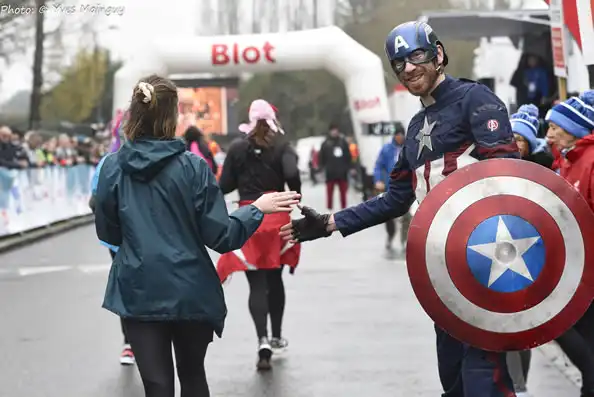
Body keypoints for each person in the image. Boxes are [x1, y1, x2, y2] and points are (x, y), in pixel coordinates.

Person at [281, 21, 521, 396]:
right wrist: (330, 222)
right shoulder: (414, 126)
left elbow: (509, 176)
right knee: (453, 378)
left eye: (417, 56)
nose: (408, 68)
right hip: (442, 267)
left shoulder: (476, 99)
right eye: (398, 63)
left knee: (483, 375)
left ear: (438, 54)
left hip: (486, 259)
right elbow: (395, 199)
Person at [93, 75, 300, 397]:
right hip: (190, 288)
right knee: (192, 377)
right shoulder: (193, 167)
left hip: (138, 288)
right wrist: (256, 209)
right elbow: (222, 236)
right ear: (172, 116)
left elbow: (108, 232)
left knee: (157, 385)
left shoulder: (111, 168)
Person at [216, 99, 302, 371]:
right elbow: (292, 173)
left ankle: (262, 340)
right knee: (275, 279)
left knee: (256, 284)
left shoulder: (238, 147)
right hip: (277, 218)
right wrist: (294, 193)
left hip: (249, 216)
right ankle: (277, 336)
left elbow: (225, 185)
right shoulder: (282, 145)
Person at [545, 90, 594, 397]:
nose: (548, 133)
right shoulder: (565, 162)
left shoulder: (590, 162)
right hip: (575, 270)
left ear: (573, 129)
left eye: (555, 127)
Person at [506, 103, 554, 397]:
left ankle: (520, 384)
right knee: (507, 327)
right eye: (512, 138)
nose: (516, 145)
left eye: (522, 140)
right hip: (499, 254)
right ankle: (515, 384)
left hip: (532, 256)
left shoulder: (543, 170)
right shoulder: (491, 167)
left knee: (524, 328)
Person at [89, 146, 135, 366]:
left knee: (127, 288)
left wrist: (114, 234)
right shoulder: (182, 160)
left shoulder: (109, 162)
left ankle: (130, 344)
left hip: (122, 243)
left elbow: (95, 202)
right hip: (163, 240)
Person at [373, 122, 409, 252]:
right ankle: (390, 234)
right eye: (397, 135)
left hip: (406, 186)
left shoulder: (409, 147)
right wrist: (378, 180)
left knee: (407, 215)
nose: (399, 137)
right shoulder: (387, 149)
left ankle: (405, 241)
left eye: (401, 135)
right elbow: (378, 166)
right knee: (388, 215)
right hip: (390, 186)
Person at [319, 124, 352, 210]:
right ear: (330, 131)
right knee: (329, 193)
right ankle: (329, 210)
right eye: (332, 130)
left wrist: (350, 167)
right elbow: (321, 157)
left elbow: (348, 156)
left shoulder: (343, 142)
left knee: (343, 193)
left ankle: (344, 209)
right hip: (330, 172)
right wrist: (321, 169)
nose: (334, 132)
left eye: (336, 130)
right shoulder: (325, 143)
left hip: (342, 172)